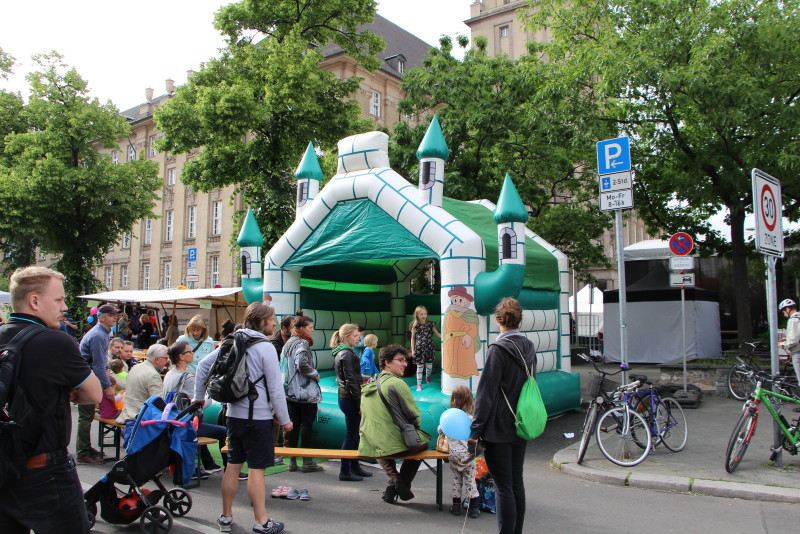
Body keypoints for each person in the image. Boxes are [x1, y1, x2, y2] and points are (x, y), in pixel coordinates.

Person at [0, 266, 102, 534]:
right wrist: (67, 389)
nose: (64, 306)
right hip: (44, 471)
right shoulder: (55, 341)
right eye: (58, 299)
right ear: (34, 301)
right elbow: (94, 393)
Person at [195, 302, 292, 534]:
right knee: (257, 470)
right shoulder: (265, 347)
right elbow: (275, 388)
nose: (274, 323)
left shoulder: (231, 341)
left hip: (232, 415)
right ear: (261, 322)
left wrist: (198, 398)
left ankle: (226, 517)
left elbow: (201, 366)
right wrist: (285, 419)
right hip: (258, 419)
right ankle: (261, 522)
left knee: (232, 467)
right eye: (271, 319)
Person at [469, 297, 536, 534]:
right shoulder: (528, 347)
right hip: (521, 421)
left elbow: (486, 393)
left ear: (498, 319)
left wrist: (475, 430)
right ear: (519, 319)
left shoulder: (498, 349)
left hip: (498, 426)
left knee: (503, 487)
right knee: (516, 482)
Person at [359, 345, 430, 504]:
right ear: (387, 363)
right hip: (391, 445)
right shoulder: (397, 384)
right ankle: (399, 483)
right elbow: (414, 415)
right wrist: (415, 429)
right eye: (400, 360)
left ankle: (393, 478)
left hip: (369, 443)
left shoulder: (369, 383)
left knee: (380, 443)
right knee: (422, 444)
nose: (405, 364)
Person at [163, 340, 226, 475]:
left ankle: (209, 463)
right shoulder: (187, 378)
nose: (193, 353)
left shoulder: (169, 374)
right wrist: (210, 395)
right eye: (190, 351)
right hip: (185, 424)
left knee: (199, 428)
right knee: (224, 432)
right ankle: (230, 469)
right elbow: (201, 403)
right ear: (181, 356)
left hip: (173, 420)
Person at [77, 303, 120, 463]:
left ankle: (86, 448)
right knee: (86, 416)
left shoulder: (102, 333)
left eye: (116, 315)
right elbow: (97, 364)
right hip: (86, 377)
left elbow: (101, 362)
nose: (115, 317)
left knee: (87, 415)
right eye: (112, 315)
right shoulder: (98, 335)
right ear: (102, 317)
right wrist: (107, 386)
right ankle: (82, 452)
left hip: (89, 376)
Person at [282, 311, 324, 473]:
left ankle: (293, 460)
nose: (312, 330)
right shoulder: (302, 344)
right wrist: (315, 374)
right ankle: (307, 461)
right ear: (302, 328)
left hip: (291, 391)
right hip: (304, 391)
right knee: (307, 424)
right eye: (310, 327)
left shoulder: (289, 342)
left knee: (294, 425)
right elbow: (302, 364)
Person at [332, 323, 371, 481]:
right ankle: (345, 470)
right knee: (352, 434)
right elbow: (351, 380)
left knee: (355, 434)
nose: (358, 339)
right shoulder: (346, 354)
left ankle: (354, 466)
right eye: (355, 336)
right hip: (349, 398)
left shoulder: (343, 353)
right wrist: (360, 402)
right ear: (346, 337)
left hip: (347, 397)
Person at [116, 344, 170, 441]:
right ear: (157, 359)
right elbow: (158, 402)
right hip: (140, 417)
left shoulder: (136, 367)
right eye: (165, 358)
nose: (167, 361)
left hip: (127, 413)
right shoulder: (153, 375)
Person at [444, 386, 480, 518]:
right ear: (470, 400)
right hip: (468, 456)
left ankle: (456, 507)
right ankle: (474, 508)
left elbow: (440, 429)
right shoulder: (470, 419)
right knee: (470, 481)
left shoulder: (449, 417)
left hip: (453, 455)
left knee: (456, 480)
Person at [410, 305, 441, 391]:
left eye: (425, 314)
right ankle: (419, 384)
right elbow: (413, 338)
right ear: (417, 315)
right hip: (419, 349)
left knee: (429, 367)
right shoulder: (415, 325)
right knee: (419, 367)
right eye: (421, 314)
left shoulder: (430, 324)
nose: (424, 316)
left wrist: (446, 337)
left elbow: (438, 334)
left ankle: (428, 376)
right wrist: (412, 350)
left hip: (429, 348)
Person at [779, 298, 800, 382]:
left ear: (788, 309)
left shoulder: (793, 320)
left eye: (783, 312)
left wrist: (783, 345)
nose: (784, 315)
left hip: (798, 353)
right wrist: (787, 338)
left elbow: (793, 340)